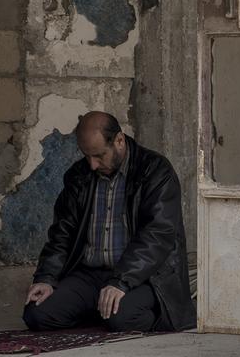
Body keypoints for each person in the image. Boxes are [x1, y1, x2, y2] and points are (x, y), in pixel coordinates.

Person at [23, 111, 195, 333]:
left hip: (145, 277)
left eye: (99, 155)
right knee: (37, 314)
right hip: (89, 275)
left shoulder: (155, 170)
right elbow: (62, 233)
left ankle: (155, 315)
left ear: (119, 141)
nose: (93, 165)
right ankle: (101, 308)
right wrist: (46, 278)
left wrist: (121, 281)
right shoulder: (79, 175)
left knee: (123, 318)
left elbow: (157, 235)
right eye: (87, 156)